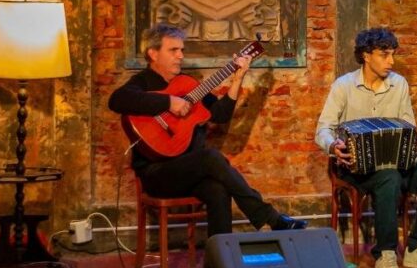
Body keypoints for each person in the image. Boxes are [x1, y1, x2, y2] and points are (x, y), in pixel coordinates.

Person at [109, 23, 305, 237]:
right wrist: (168, 102)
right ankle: (270, 218)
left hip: (190, 171)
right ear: (153, 53)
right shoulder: (143, 81)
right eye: (173, 50)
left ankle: (220, 261)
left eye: (182, 50)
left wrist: (237, 79)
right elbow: (117, 99)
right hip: (157, 173)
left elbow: (220, 115)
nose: (180, 55)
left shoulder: (188, 83)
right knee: (211, 157)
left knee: (218, 190)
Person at [316, 27, 417, 268]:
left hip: (396, 163)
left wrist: (412, 143)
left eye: (393, 55)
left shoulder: (399, 84)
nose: (391, 61)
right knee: (389, 177)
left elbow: (408, 125)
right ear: (366, 55)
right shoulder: (344, 86)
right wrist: (334, 147)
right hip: (355, 167)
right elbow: (323, 129)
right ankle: (385, 253)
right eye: (385, 55)